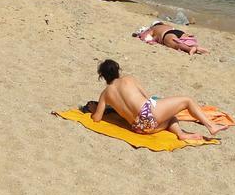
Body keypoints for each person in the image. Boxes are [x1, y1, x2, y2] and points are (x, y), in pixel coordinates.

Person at [89, 60, 226, 141]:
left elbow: (97, 119)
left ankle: (181, 134)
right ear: (118, 70)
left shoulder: (105, 94)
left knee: (169, 117)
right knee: (187, 100)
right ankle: (211, 126)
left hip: (140, 129)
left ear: (103, 77)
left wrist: (94, 110)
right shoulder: (128, 79)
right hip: (150, 114)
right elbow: (148, 98)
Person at [135, 22, 208, 55]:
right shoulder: (167, 25)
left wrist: (141, 36)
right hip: (177, 31)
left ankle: (189, 49)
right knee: (186, 40)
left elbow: (146, 37)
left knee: (177, 44)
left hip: (167, 34)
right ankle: (196, 47)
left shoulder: (153, 28)